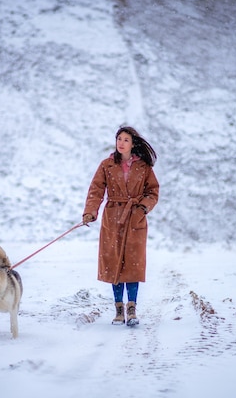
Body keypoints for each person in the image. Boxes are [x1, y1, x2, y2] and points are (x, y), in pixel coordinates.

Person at [82, 126, 159, 326]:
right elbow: (96, 190)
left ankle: (131, 309)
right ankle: (118, 309)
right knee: (114, 262)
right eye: (119, 139)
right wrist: (90, 212)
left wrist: (141, 208)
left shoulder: (144, 167)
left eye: (125, 139)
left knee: (133, 263)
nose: (121, 143)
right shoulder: (106, 165)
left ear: (133, 143)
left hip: (135, 219)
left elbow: (153, 191)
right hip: (113, 217)